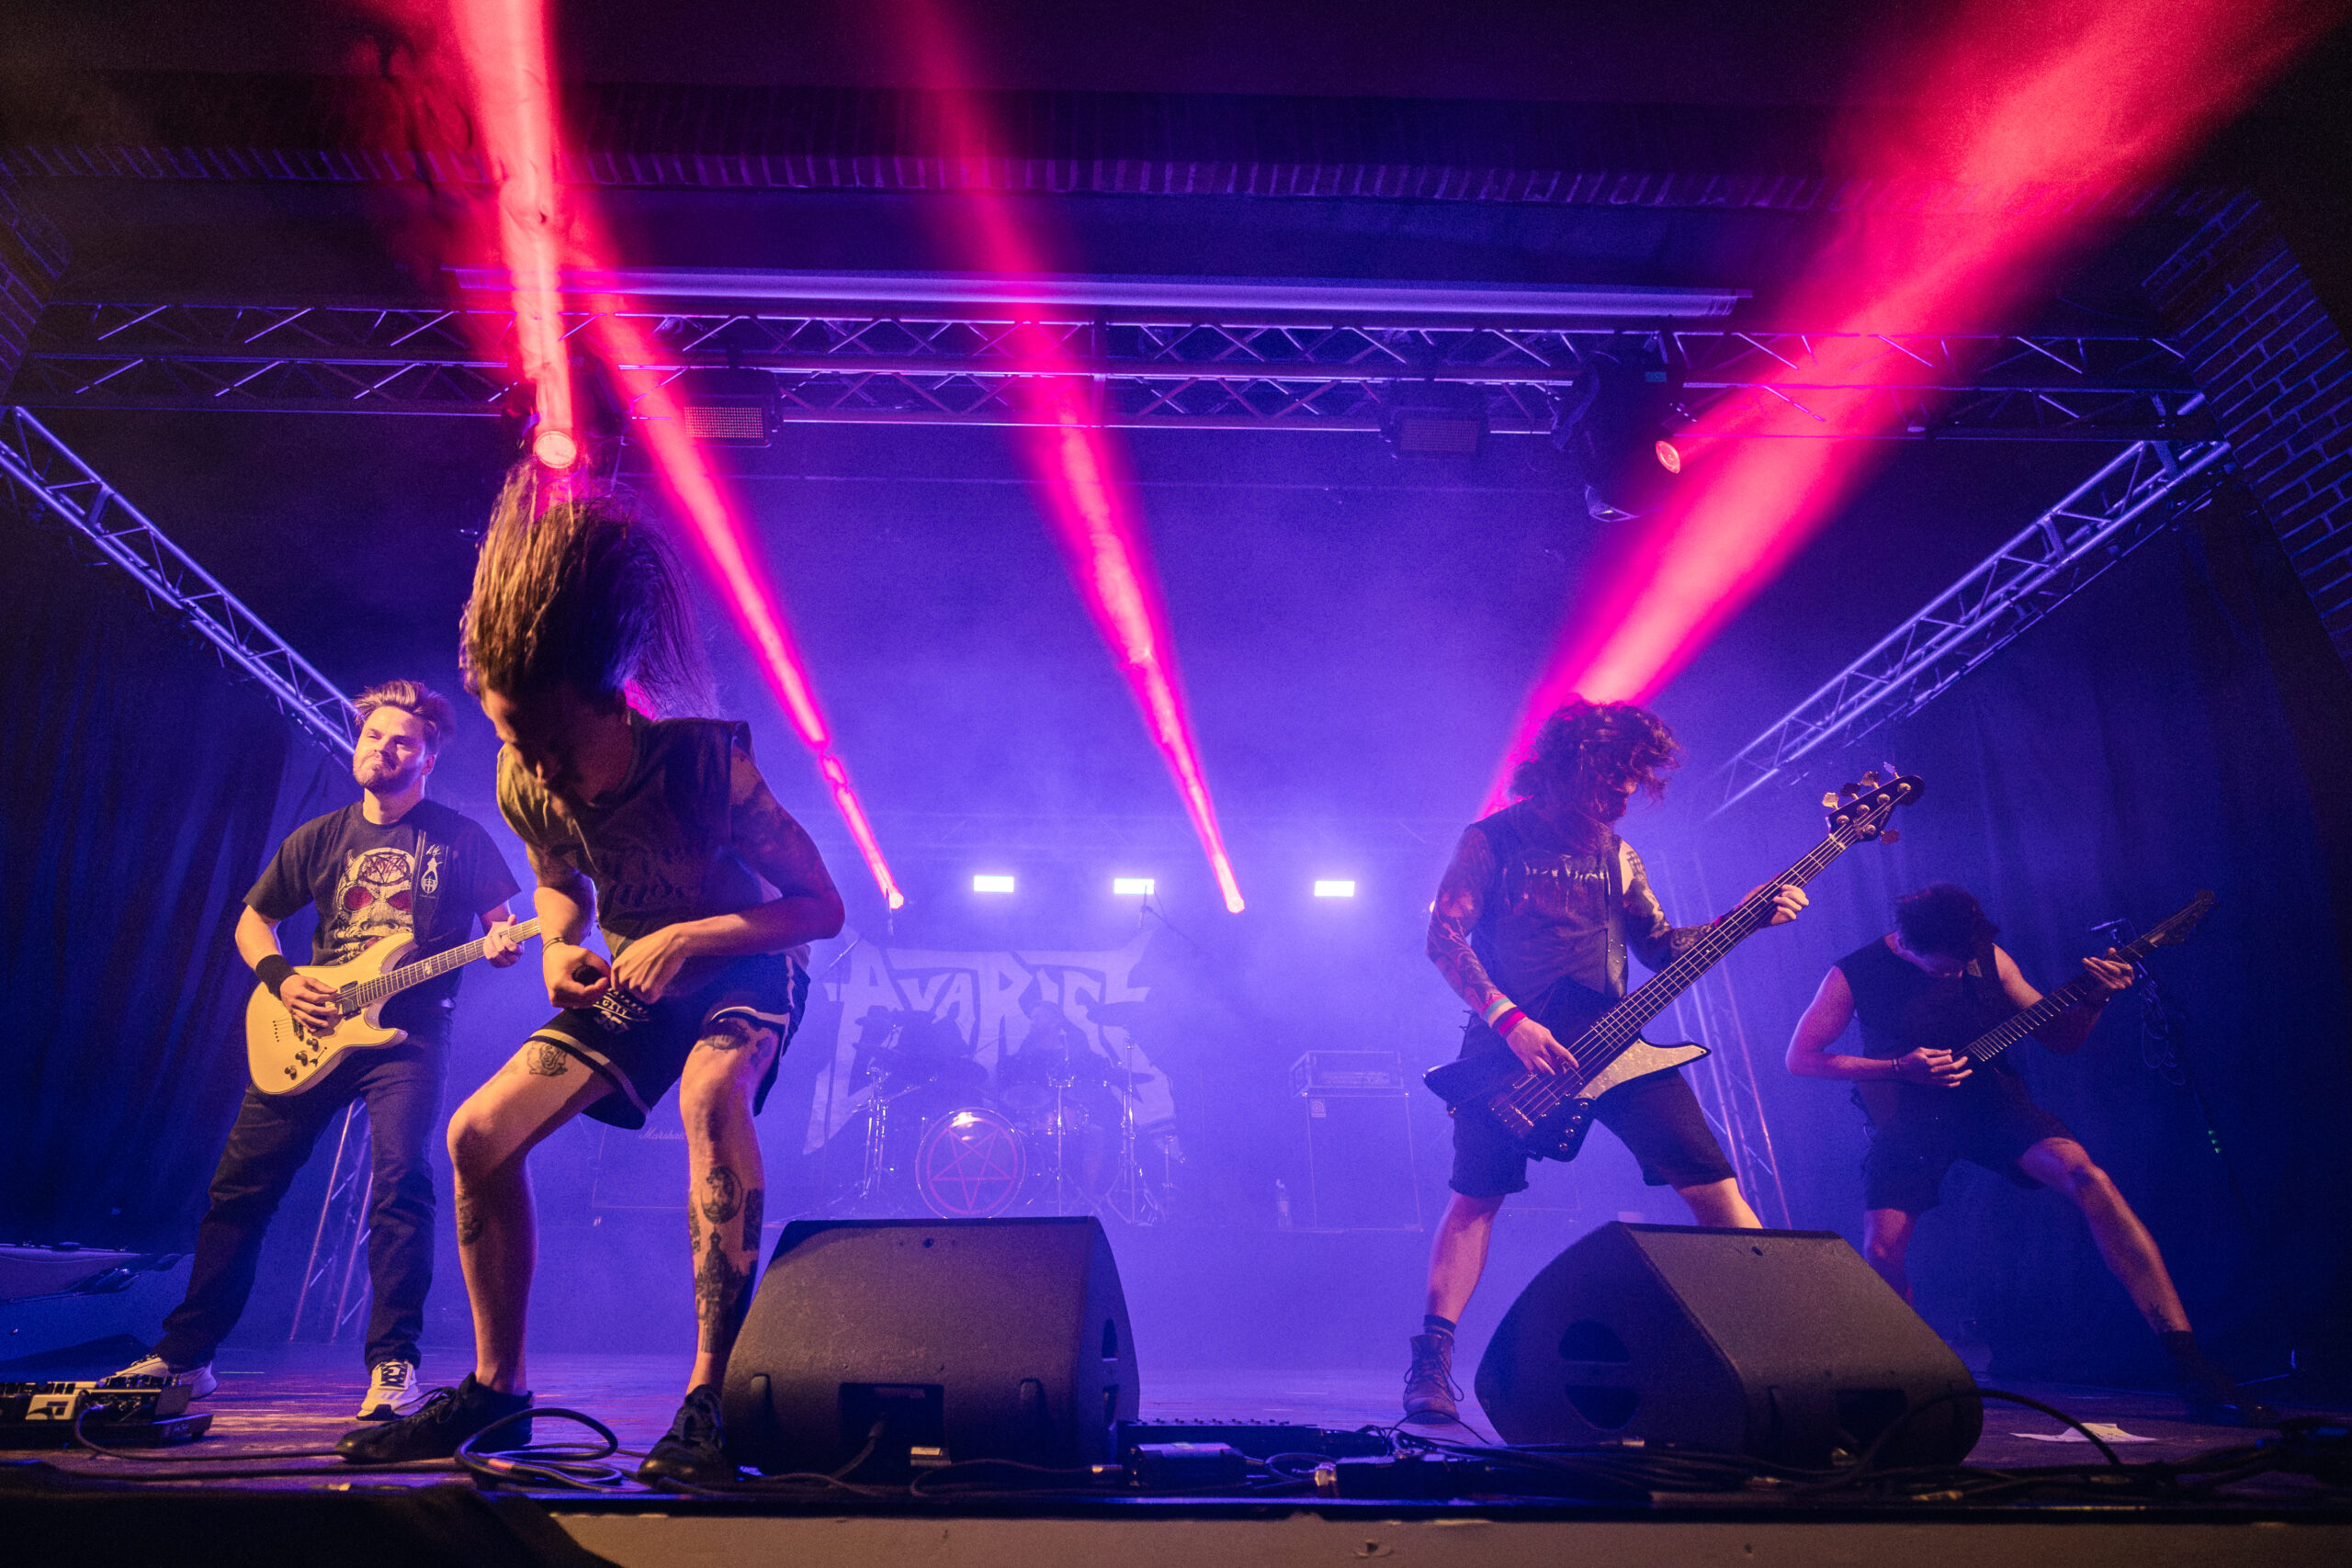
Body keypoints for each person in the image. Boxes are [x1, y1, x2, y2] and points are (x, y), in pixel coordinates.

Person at [338, 473, 845, 1482]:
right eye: (516, 742)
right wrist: (560, 946)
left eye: (556, 744)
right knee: (477, 1134)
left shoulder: (706, 768)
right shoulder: (524, 776)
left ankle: (709, 1403)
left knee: (710, 1093)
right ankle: (499, 1396)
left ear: (615, 705)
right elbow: (559, 884)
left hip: (746, 964)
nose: (539, 768)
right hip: (638, 982)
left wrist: (690, 937)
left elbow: (821, 908)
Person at [119, 681, 524, 1420]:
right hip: (313, 1026)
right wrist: (282, 979)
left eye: (401, 741)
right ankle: (186, 1355)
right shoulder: (320, 836)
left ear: (427, 758)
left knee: (401, 1185)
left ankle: (393, 1363)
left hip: (408, 1036)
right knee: (239, 1188)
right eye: (373, 735)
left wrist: (502, 941)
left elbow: (505, 923)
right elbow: (253, 922)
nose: (382, 748)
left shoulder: (460, 838)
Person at [1406, 699, 1805, 1425]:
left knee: (1713, 1182)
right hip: (1509, 1047)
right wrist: (1510, 1021)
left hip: (1614, 1040)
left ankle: (1782, 1346)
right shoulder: (1492, 840)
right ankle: (1432, 1362)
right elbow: (1444, 939)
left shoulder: (1620, 856)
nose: (1624, 792)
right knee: (1476, 1198)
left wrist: (1743, 918)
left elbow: (1661, 947)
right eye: (1611, 776)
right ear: (1564, 768)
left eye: (1635, 778)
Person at [1784, 882, 2273, 1427]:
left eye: (1962, 965)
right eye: (1943, 968)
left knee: (2088, 1178)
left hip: (1991, 1103)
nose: (1955, 974)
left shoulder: (1988, 957)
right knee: (1881, 1250)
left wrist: (2097, 997)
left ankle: (2189, 1364)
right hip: (1909, 1117)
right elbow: (1801, 1058)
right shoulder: (1854, 973)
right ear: (1905, 942)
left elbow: (2061, 1039)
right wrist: (1898, 1068)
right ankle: (1910, 1384)